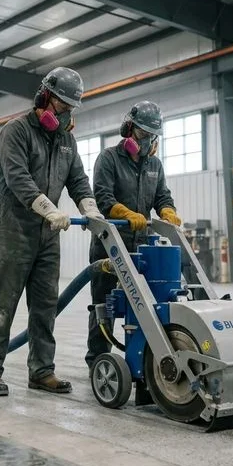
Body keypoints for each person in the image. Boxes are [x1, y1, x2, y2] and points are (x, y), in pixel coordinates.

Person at [0, 66, 105, 397]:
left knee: (46, 305)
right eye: (61, 105)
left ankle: (42, 370)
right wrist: (48, 208)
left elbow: (78, 180)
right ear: (44, 97)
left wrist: (89, 208)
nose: (65, 114)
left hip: (47, 236)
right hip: (12, 232)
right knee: (3, 304)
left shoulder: (66, 140)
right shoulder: (15, 131)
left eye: (70, 108)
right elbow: (17, 177)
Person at [86, 100, 182, 373]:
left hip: (142, 248)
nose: (146, 140)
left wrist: (168, 211)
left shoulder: (155, 165)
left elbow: (162, 196)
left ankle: (145, 359)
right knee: (104, 305)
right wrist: (125, 213)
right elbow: (103, 197)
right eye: (142, 133)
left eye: (152, 135)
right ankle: (97, 361)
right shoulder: (108, 159)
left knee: (145, 305)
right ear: (128, 129)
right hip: (110, 244)